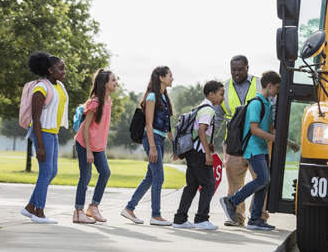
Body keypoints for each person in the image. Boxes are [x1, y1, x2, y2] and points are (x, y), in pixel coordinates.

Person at [219, 70, 281, 231]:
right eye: (278, 87)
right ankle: (231, 201)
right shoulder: (256, 103)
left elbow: (271, 129)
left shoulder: (268, 104)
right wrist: (275, 139)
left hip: (262, 148)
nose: (278, 91)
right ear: (270, 85)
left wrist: (287, 142)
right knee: (262, 179)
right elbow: (254, 129)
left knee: (264, 182)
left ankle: (255, 219)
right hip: (253, 148)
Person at [213, 55, 269, 227]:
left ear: (247, 67)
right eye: (233, 69)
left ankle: (258, 216)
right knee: (234, 182)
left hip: (257, 141)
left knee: (262, 179)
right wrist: (210, 140)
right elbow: (217, 117)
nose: (236, 73)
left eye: (240, 69)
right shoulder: (224, 88)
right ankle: (236, 218)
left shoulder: (260, 84)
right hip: (233, 143)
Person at [20, 51, 69, 224]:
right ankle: (39, 213)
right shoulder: (41, 88)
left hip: (53, 132)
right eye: (60, 68)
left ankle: (29, 207)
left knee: (52, 171)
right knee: (46, 171)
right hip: (43, 132)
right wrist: (40, 145)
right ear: (49, 70)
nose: (64, 72)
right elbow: (36, 118)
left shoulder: (58, 86)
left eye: (64, 69)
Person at [122, 66, 174, 226]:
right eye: (170, 76)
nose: (172, 78)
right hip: (152, 139)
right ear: (161, 78)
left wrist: (175, 146)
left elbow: (168, 126)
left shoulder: (164, 97)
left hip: (161, 138)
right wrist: (152, 146)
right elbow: (149, 124)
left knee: (151, 177)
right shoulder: (152, 96)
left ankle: (129, 208)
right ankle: (156, 215)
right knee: (159, 177)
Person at [173, 80, 225, 230]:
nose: (223, 98)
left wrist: (208, 144)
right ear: (211, 94)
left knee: (192, 186)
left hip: (192, 151)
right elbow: (202, 130)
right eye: (221, 94)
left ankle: (180, 219)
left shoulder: (200, 107)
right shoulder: (208, 109)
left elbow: (198, 131)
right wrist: (207, 153)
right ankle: (201, 219)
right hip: (199, 153)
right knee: (209, 184)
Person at [72, 69, 118, 224]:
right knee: (85, 176)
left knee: (105, 173)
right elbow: (85, 127)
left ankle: (93, 207)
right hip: (85, 144)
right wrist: (89, 151)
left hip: (98, 146)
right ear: (105, 84)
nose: (116, 82)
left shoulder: (108, 100)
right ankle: (78, 212)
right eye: (113, 80)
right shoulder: (95, 103)